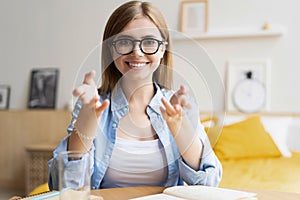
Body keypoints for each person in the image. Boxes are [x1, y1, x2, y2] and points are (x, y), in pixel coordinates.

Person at [48, 0, 222, 190]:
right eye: (124, 42)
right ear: (111, 49)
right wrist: (86, 125)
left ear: (163, 49)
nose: (137, 52)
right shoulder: (92, 105)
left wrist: (180, 128)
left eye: (149, 42)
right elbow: (61, 187)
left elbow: (209, 184)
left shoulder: (179, 106)